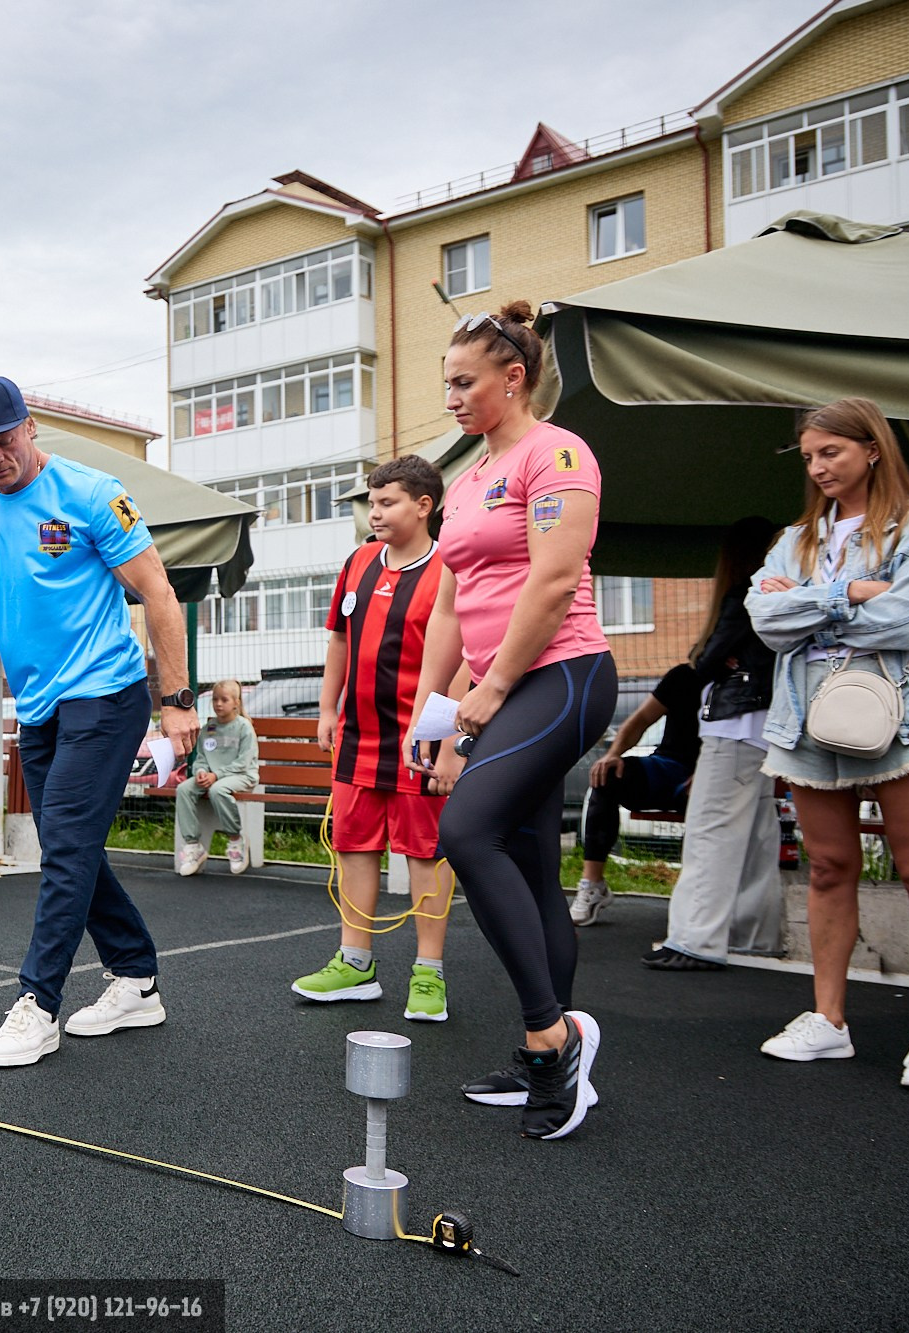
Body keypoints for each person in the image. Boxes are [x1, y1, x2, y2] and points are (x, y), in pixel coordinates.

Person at [405, 303, 615, 1140]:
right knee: (530, 871)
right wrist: (438, 709)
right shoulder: (463, 482)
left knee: (468, 829)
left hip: (561, 676)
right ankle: (548, 1051)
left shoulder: (556, 453)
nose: (451, 397)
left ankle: (550, 1033)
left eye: (465, 382)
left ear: (513, 378)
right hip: (496, 685)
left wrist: (486, 700)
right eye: (447, 383)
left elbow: (555, 582)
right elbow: (453, 603)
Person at [0, 376, 198, 1068]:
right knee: (68, 841)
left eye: (2, 441)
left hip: (107, 694)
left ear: (29, 426)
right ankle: (137, 976)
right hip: (38, 707)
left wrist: (176, 697)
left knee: (62, 845)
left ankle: (38, 1002)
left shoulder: (90, 494)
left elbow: (158, 593)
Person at [746, 397, 909, 1093]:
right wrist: (852, 592)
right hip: (809, 714)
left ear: (871, 447)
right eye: (810, 456)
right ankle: (828, 1018)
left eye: (831, 453)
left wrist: (812, 598)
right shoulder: (797, 536)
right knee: (828, 867)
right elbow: (764, 618)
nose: (818, 467)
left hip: (903, 710)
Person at [296, 455, 455, 1020]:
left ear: (423, 505)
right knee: (354, 845)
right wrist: (326, 707)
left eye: (386, 502)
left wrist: (446, 738)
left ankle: (429, 974)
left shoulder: (449, 570)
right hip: (358, 736)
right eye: (371, 501)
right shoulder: (359, 561)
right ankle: (355, 964)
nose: (374, 512)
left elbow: (463, 658)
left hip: (420, 740)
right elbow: (339, 639)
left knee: (424, 853)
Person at [643, 516, 785, 970]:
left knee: (710, 831)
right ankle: (753, 935)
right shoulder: (777, 592)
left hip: (732, 722)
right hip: (766, 725)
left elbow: (700, 664)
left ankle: (694, 939)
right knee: (759, 836)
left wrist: (711, 658)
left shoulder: (743, 593)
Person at [567, 662, 702, 926]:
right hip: (670, 768)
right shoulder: (685, 676)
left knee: (705, 798)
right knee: (607, 777)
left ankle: (698, 893)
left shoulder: (741, 681)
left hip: (715, 772)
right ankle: (593, 885)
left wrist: (708, 772)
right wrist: (612, 754)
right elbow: (640, 719)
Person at [174, 680, 258, 876]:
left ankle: (236, 840)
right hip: (212, 778)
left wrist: (216, 775)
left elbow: (243, 762)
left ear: (236, 702)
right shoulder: (208, 728)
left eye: (224, 700)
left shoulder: (244, 727)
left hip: (241, 776)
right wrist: (201, 772)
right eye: (215, 699)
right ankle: (193, 846)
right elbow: (201, 758)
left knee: (218, 790)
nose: (218, 704)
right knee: (184, 789)